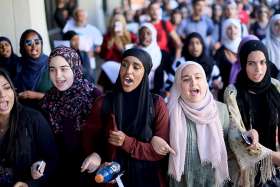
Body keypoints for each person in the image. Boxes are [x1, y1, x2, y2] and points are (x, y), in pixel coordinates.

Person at [81, 48, 171, 187]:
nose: (128, 71)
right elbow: (90, 140)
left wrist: (127, 142)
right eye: (124, 64)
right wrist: (96, 156)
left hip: (148, 179)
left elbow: (160, 153)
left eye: (136, 67)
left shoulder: (156, 104)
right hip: (113, 180)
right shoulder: (103, 102)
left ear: (145, 73)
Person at [41, 46, 101, 187]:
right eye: (52, 69)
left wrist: (99, 154)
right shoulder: (47, 100)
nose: (58, 75)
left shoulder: (94, 96)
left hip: (93, 170)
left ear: (75, 67)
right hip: (62, 174)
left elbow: (107, 134)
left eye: (64, 68)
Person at [224, 40, 280, 186]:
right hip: (249, 171)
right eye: (251, 63)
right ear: (243, 64)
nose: (258, 69)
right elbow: (235, 134)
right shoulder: (232, 92)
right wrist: (271, 156)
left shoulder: (276, 86)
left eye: (262, 62)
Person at [166, 61, 230, 186]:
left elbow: (233, 140)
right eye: (186, 79)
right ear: (178, 85)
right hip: (182, 183)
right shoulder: (170, 112)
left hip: (213, 182)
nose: (193, 83)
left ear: (205, 81)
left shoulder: (221, 109)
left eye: (198, 77)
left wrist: (247, 134)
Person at [0, 69, 58, 187]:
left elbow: (53, 160)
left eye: (6, 87)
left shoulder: (33, 119)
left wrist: (29, 184)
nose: (2, 95)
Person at [14, 29, 52, 109]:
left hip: (48, 115)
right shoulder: (18, 65)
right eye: (29, 43)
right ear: (23, 47)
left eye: (37, 42)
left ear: (41, 44)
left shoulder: (53, 64)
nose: (34, 47)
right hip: (25, 115)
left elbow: (63, 98)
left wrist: (35, 95)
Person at [137, 22, 162, 91]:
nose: (145, 36)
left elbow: (152, 66)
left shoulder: (156, 51)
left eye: (148, 33)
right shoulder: (134, 49)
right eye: (142, 33)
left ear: (153, 35)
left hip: (152, 86)